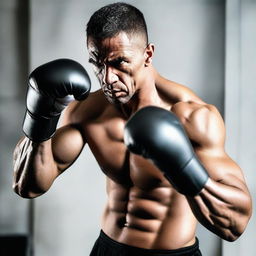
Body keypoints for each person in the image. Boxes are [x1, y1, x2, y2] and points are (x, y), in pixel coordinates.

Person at [13, 2, 252, 256]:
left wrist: (184, 167)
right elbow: (28, 186)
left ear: (148, 54)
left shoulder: (192, 117)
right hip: (107, 248)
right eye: (97, 63)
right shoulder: (88, 110)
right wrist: (40, 119)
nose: (107, 79)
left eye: (119, 62)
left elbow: (234, 226)